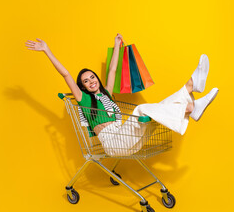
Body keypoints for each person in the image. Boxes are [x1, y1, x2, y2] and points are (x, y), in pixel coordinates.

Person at [25, 34, 218, 156]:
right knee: (141, 109)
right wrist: (47, 51)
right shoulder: (84, 100)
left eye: (92, 77)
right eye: (86, 81)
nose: (91, 81)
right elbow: (66, 74)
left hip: (127, 137)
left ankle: (190, 93)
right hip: (113, 142)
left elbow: (112, 69)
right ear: (82, 87)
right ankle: (191, 96)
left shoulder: (107, 94)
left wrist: (116, 45)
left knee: (157, 108)